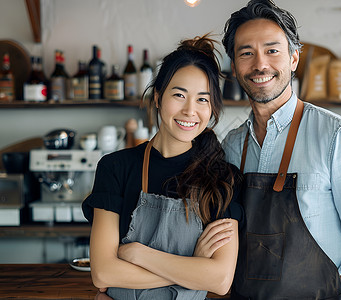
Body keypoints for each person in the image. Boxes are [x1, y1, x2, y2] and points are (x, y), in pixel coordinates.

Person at [220, 0, 341, 299]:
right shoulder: (231, 146)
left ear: (294, 58)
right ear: (234, 67)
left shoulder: (338, 136)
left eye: (272, 50)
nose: (260, 64)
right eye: (246, 53)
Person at [82, 34, 243, 299]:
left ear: (212, 107)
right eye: (179, 95)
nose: (190, 110)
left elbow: (220, 279)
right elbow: (103, 273)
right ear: (158, 97)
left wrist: (137, 254)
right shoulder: (116, 168)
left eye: (202, 99)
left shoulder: (223, 179)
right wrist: (192, 267)